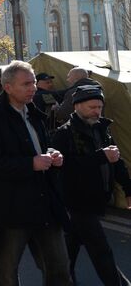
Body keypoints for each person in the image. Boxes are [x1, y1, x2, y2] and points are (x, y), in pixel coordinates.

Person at [0, 60, 72, 285]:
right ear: (8, 87)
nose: (34, 88)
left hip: (45, 205)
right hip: (11, 211)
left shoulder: (34, 114)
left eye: (34, 82)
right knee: (7, 276)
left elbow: (36, 148)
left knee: (59, 270)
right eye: (26, 84)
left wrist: (51, 154)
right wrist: (31, 164)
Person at [51, 85, 131, 285]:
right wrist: (100, 157)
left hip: (95, 201)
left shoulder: (101, 128)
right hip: (76, 202)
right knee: (101, 250)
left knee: (70, 249)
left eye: (99, 107)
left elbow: (115, 160)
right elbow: (64, 167)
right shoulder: (64, 133)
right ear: (77, 106)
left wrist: (128, 188)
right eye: (92, 107)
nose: (97, 111)